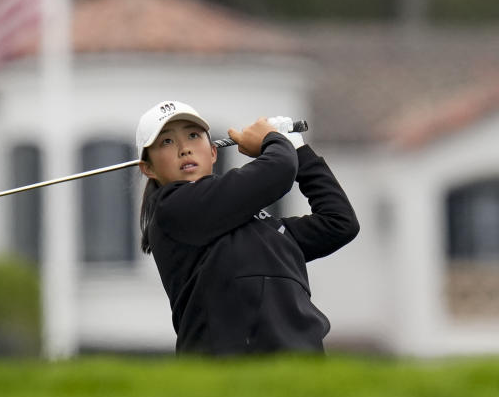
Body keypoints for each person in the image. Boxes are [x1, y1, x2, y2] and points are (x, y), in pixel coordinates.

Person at [135, 100, 359, 355]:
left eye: (194, 135)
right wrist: (273, 140)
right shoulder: (173, 208)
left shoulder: (263, 225)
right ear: (148, 168)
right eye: (166, 141)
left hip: (300, 368)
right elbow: (277, 170)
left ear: (213, 152)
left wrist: (299, 150)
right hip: (225, 373)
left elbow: (339, 223)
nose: (184, 149)